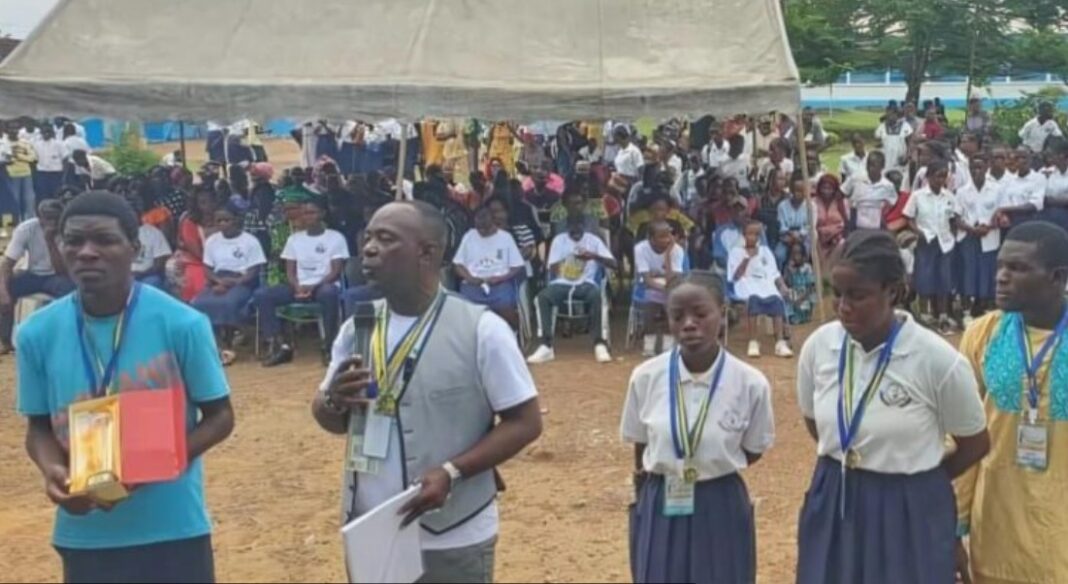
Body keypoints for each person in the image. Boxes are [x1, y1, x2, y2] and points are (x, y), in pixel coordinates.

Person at [314, 200, 542, 584]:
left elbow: (525, 422)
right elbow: (329, 418)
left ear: (427, 253)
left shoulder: (481, 330)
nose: (369, 248)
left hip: (452, 534)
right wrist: (333, 399)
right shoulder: (358, 329)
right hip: (372, 529)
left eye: (386, 239)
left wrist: (453, 472)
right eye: (367, 237)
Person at [15, 191, 234, 583]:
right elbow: (38, 427)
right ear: (58, 247)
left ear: (133, 248)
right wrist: (53, 472)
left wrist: (153, 462)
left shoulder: (182, 324)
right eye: (74, 241)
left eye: (104, 240)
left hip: (172, 529)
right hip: (85, 532)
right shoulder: (35, 332)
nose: (86, 252)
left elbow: (220, 417)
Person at [795, 229, 990, 584]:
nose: (843, 307)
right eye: (836, 294)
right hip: (834, 494)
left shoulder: (938, 360)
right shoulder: (819, 348)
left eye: (858, 296)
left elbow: (975, 443)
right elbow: (815, 424)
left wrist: (923, 477)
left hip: (908, 506)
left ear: (895, 292)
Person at [621, 271, 773, 584]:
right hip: (662, 498)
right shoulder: (645, 377)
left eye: (701, 314)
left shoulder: (750, 383)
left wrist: (711, 460)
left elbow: (752, 449)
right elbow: (641, 442)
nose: (689, 324)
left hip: (720, 501)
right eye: (678, 316)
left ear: (723, 312)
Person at [954, 221, 1068, 584]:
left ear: (1057, 276)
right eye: (1001, 266)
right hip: (998, 537)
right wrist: (954, 528)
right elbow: (961, 435)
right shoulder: (983, 334)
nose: (1002, 277)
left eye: (1018, 268)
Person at [254, 198, 348, 367]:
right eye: (304, 213)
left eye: (312, 212)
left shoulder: (335, 237)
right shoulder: (294, 239)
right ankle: (280, 345)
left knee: (329, 294)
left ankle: (329, 346)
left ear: (322, 214)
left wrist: (314, 286)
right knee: (263, 295)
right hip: (298, 286)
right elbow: (290, 270)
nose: (307, 217)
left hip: (323, 285)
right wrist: (296, 285)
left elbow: (335, 271)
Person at [527, 215, 618, 365]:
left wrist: (593, 256)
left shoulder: (593, 240)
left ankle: (599, 343)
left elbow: (614, 264)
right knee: (542, 297)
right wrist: (568, 259)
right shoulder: (559, 240)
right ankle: (546, 345)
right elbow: (552, 269)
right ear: (566, 227)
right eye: (572, 227)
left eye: (579, 227)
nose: (575, 231)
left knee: (596, 296)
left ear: (584, 226)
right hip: (562, 282)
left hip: (587, 283)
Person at [192, 198, 266, 367]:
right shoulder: (212, 241)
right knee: (200, 303)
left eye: (227, 220)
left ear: (236, 220)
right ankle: (216, 345)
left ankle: (229, 344)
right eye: (219, 221)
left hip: (243, 281)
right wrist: (218, 281)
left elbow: (254, 270)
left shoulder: (250, 241)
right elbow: (207, 268)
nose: (223, 224)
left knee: (229, 302)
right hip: (218, 279)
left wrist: (234, 282)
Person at [0, 200, 75, 353]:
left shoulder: (68, 230)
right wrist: (4, 293)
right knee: (6, 287)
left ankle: (61, 338)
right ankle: (5, 341)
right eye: (47, 218)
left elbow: (62, 271)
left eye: (55, 218)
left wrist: (50, 241)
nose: (52, 222)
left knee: (70, 292)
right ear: (39, 217)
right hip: (34, 274)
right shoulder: (26, 228)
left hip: (56, 276)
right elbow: (7, 264)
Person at [905, 161, 960, 335]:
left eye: (944, 176)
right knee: (925, 276)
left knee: (944, 277)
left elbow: (953, 218)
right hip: (926, 241)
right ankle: (925, 313)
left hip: (945, 243)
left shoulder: (949, 196)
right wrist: (919, 232)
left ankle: (942, 314)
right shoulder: (918, 196)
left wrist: (952, 236)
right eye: (937, 176)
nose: (940, 180)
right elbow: (909, 218)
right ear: (928, 177)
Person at [728, 221, 793, 359]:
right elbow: (735, 276)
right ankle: (753, 341)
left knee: (776, 299)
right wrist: (747, 259)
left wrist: (782, 286)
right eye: (750, 234)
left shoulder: (765, 251)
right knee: (754, 299)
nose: (753, 237)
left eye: (756, 234)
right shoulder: (735, 252)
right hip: (745, 284)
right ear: (743, 235)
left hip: (765, 283)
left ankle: (780, 343)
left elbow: (774, 273)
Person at [453, 207, 525, 328]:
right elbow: (457, 264)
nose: (482, 231)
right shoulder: (469, 236)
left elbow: (517, 266)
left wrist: (501, 278)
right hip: (473, 284)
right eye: (479, 227)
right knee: (466, 313)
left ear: (493, 222)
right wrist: (469, 278)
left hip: (499, 284)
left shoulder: (505, 237)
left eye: (485, 227)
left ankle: (513, 336)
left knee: (506, 309)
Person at [955, 153, 1001, 325]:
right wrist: (971, 229)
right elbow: (956, 218)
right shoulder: (961, 191)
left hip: (989, 236)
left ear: (987, 167)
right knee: (968, 271)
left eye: (980, 167)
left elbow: (1001, 213)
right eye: (973, 167)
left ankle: (984, 308)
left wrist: (988, 226)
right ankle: (967, 312)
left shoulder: (996, 189)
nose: (976, 171)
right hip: (968, 237)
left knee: (987, 272)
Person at [634, 221, 685, 357]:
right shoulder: (640, 249)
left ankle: (668, 343)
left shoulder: (677, 250)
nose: (667, 240)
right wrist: (664, 287)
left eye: (669, 235)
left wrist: (668, 255)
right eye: (662, 236)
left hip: (671, 287)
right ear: (651, 239)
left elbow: (673, 279)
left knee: (672, 300)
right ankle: (649, 343)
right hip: (651, 286)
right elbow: (646, 279)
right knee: (651, 300)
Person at [168, 187, 219, 303]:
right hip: (195, 261)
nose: (209, 205)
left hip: (219, 261)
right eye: (203, 202)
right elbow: (198, 253)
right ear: (196, 205)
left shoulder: (222, 218)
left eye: (211, 201)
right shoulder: (189, 223)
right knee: (199, 282)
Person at [126, 193, 172, 290]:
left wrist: (140, 274)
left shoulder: (153, 233)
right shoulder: (118, 232)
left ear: (139, 212)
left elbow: (159, 264)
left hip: (147, 276)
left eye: (133, 210)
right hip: (123, 277)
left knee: (152, 283)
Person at [842, 150, 897, 231]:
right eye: (868, 164)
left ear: (882, 166)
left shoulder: (887, 186)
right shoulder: (856, 178)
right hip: (855, 222)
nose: (870, 168)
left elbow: (891, 204)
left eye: (874, 165)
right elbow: (843, 193)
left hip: (877, 225)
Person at [996, 148, 1047, 228]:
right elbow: (1003, 201)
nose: (1020, 161)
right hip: (1010, 221)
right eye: (1017, 158)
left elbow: (1033, 205)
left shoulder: (1039, 178)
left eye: (1024, 157)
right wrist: (1003, 215)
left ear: (1030, 160)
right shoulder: (1009, 180)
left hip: (1030, 220)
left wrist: (1004, 209)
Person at [777, 173, 813, 266]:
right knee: (779, 255)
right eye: (797, 190)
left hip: (804, 238)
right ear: (791, 190)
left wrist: (799, 235)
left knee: (806, 253)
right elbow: (781, 225)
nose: (799, 194)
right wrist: (791, 235)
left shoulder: (810, 206)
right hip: (786, 237)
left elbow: (809, 226)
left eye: (802, 191)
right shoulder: (782, 206)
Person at [814, 174, 849, 267]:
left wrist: (834, 233)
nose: (826, 191)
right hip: (819, 239)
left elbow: (846, 222)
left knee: (842, 244)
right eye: (824, 188)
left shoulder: (842, 203)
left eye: (829, 188)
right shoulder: (813, 202)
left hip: (837, 238)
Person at [5, 127, 38, 221]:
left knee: (29, 198)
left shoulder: (25, 143)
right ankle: (16, 219)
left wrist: (18, 156)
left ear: (18, 132)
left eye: (15, 131)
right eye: (11, 131)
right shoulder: (4, 143)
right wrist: (11, 158)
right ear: (8, 132)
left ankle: (30, 219)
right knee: (15, 198)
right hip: (11, 174)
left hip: (26, 173)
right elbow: (5, 158)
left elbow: (32, 158)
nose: (13, 133)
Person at [784, 242, 817, 325]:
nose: (796, 257)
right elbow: (788, 284)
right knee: (787, 295)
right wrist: (790, 272)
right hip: (794, 295)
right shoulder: (788, 268)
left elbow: (811, 286)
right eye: (793, 254)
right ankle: (794, 317)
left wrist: (801, 298)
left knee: (812, 296)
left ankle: (806, 315)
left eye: (799, 253)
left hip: (805, 295)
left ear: (803, 255)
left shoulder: (807, 267)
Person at [32, 124, 67, 201]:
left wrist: (64, 174)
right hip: (42, 173)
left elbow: (65, 159)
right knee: (42, 195)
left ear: (51, 133)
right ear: (41, 133)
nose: (46, 134)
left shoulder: (59, 144)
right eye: (44, 132)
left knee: (56, 194)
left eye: (48, 132)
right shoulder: (37, 145)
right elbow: (34, 160)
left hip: (56, 173)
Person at [875, 107, 913, 176]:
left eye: (892, 114)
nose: (890, 117)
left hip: (900, 160)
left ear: (896, 115)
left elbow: (910, 143)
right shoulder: (881, 127)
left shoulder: (905, 126)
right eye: (888, 115)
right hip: (886, 159)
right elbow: (878, 142)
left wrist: (907, 156)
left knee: (900, 179)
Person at [1044, 138, 1068, 231]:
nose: (1049, 156)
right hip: (1050, 216)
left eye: (1052, 154)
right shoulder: (1048, 172)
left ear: (1062, 155)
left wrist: (1052, 201)